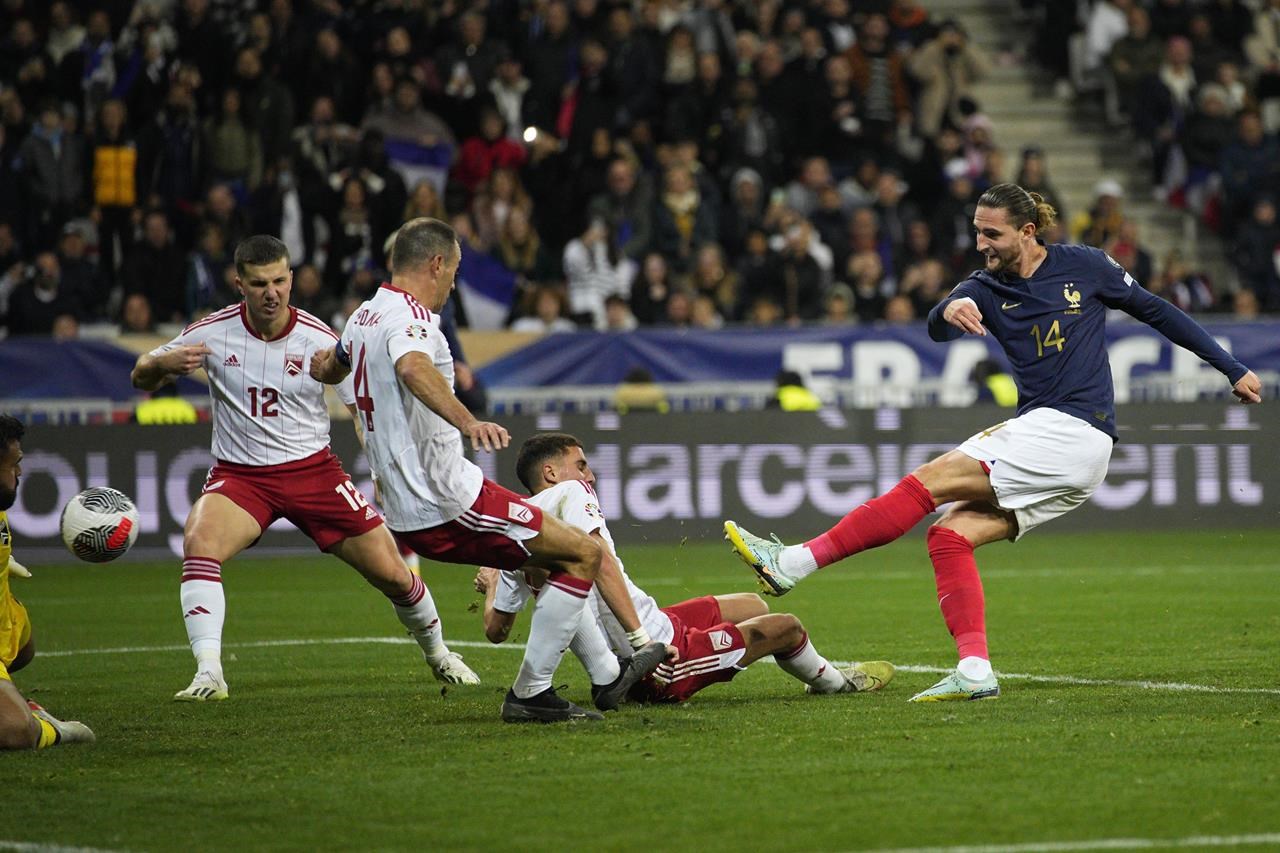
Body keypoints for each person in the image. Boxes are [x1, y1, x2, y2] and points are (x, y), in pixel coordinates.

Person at [725, 183, 1263, 703]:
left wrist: (1231, 368)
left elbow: (1158, 311)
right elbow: (938, 325)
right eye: (976, 233)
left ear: (1028, 232)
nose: (981, 244)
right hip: (1070, 451)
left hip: (1071, 428)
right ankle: (975, 670)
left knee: (927, 482)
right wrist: (946, 311)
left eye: (992, 234)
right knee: (949, 537)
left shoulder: (1086, 265)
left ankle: (793, 562)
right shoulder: (983, 285)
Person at [309, 218, 666, 723]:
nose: (454, 281)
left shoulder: (363, 317)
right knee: (585, 553)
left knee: (550, 558)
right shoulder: (414, 319)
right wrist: (468, 420)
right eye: (454, 270)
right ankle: (532, 691)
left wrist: (314, 366)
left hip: (406, 508)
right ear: (436, 264)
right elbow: (412, 367)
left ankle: (606, 676)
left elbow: (334, 366)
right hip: (448, 499)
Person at [131, 235, 480, 703]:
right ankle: (209, 673)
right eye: (259, 284)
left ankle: (439, 654)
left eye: (279, 280)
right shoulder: (212, 332)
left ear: (291, 279)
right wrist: (161, 363)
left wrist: (379, 468)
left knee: (394, 574)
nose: (271, 292)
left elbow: (359, 408)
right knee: (199, 542)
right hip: (243, 478)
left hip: (315, 474)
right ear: (240, 285)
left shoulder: (320, 338)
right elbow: (141, 374)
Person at [475, 434, 894, 705]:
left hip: (661, 624)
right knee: (787, 627)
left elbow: (497, 630)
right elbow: (599, 564)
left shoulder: (520, 528)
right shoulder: (571, 493)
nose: (591, 474)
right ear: (552, 472)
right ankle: (836, 683)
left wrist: (493, 583)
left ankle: (802, 667)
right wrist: (643, 643)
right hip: (656, 662)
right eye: (582, 464)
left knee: (751, 603)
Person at [0, 415, 95, 749]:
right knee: (16, 731)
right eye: (14, 465)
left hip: (5, 622)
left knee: (25, 651)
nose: (20, 472)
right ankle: (48, 727)